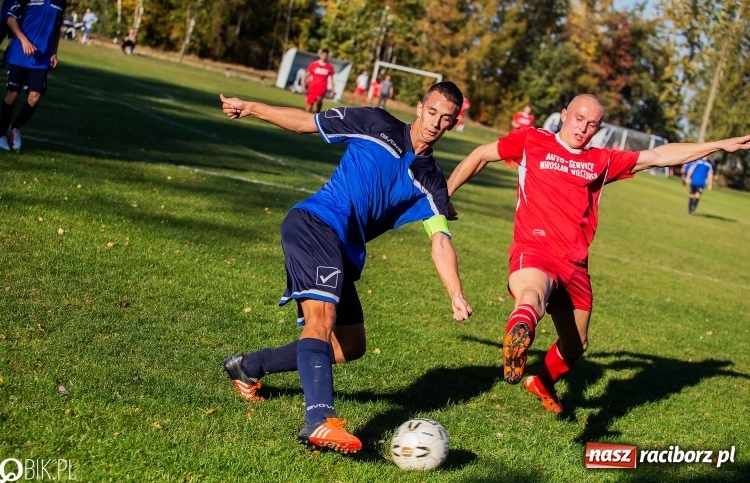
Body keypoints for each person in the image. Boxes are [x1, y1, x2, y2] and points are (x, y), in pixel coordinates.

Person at [446, 93, 750, 415]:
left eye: (592, 125)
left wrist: (720, 144)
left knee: (576, 345)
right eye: (579, 119)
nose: (583, 129)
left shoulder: (600, 161)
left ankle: (543, 382)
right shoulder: (532, 141)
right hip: (534, 248)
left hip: (575, 264)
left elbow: (660, 155)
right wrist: (444, 195)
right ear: (564, 115)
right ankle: (519, 333)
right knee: (532, 294)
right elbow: (481, 155)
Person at [219, 81, 472, 454]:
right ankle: (319, 420)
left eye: (445, 118)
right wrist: (251, 107)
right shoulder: (375, 122)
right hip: (315, 224)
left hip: (344, 250)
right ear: (420, 108)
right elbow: (308, 122)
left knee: (350, 345)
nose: (435, 122)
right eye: (431, 112)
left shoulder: (431, 181)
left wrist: (456, 293)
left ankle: (249, 366)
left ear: (452, 125)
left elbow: (440, 239)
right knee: (320, 320)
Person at [0, 0, 66, 153]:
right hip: (19, 54)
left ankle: (14, 128)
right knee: (13, 94)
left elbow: (57, 29)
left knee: (34, 98)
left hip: (42, 58)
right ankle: (0, 136)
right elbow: (11, 19)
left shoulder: (60, 1)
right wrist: (24, 41)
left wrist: (54, 53)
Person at [304, 48, 335, 113]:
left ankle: (318, 115)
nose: (324, 57)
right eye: (323, 55)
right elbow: (307, 75)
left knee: (319, 101)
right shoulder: (314, 64)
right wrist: (304, 83)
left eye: (326, 55)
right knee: (309, 106)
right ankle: (306, 119)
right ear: (320, 55)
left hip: (322, 87)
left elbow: (332, 79)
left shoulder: (329, 66)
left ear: (327, 56)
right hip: (312, 87)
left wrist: (332, 90)